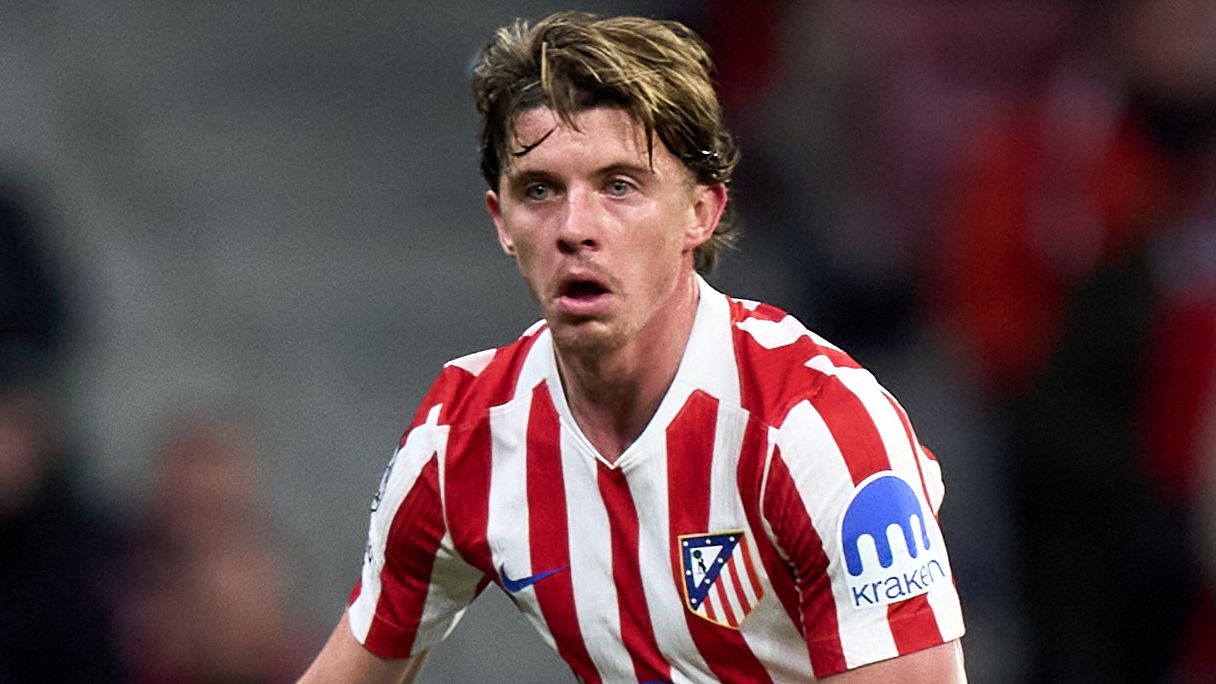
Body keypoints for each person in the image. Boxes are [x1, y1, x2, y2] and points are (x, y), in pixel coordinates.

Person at [299, 11, 966, 683]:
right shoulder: (462, 440)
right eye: (539, 190)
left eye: (619, 186)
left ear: (700, 212)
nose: (574, 228)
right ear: (501, 222)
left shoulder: (817, 431)